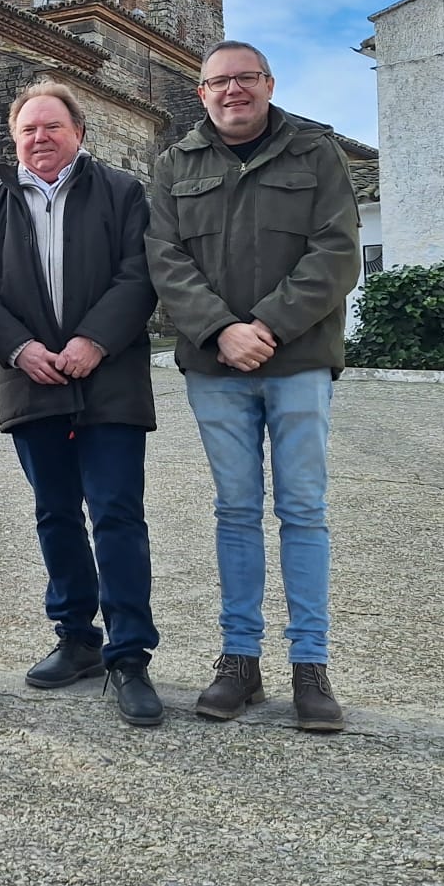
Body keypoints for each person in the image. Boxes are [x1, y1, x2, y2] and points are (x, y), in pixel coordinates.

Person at [145, 41, 360, 732]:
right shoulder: (175, 165)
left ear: (268, 83)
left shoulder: (316, 153)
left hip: (297, 360)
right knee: (235, 511)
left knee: (303, 509)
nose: (232, 91)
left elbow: (336, 251)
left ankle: (311, 667)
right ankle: (240, 659)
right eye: (218, 82)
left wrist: (264, 325)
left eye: (245, 79)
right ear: (201, 93)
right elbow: (165, 259)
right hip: (215, 366)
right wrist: (220, 330)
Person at [0, 82, 163, 726]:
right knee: (54, 514)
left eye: (52, 126)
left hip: (109, 379)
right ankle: (76, 637)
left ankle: (129, 656)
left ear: (79, 132)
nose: (39, 138)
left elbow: (141, 273)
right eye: (28, 130)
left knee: (117, 515)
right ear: (14, 139)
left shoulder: (123, 193)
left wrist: (93, 340)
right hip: (34, 380)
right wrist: (21, 349)